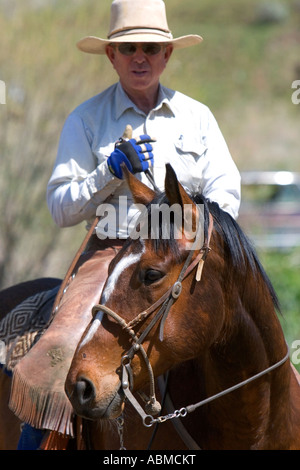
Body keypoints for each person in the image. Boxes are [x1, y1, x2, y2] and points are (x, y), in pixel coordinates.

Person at [14, 0, 241, 449]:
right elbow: (60, 208)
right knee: (60, 352)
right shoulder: (86, 119)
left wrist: (186, 230)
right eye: (130, 48)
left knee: (251, 331)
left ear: (167, 56)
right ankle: (34, 439)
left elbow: (227, 195)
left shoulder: (199, 118)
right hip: (109, 257)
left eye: (152, 48)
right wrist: (108, 172)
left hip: (183, 255)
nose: (141, 57)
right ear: (111, 56)